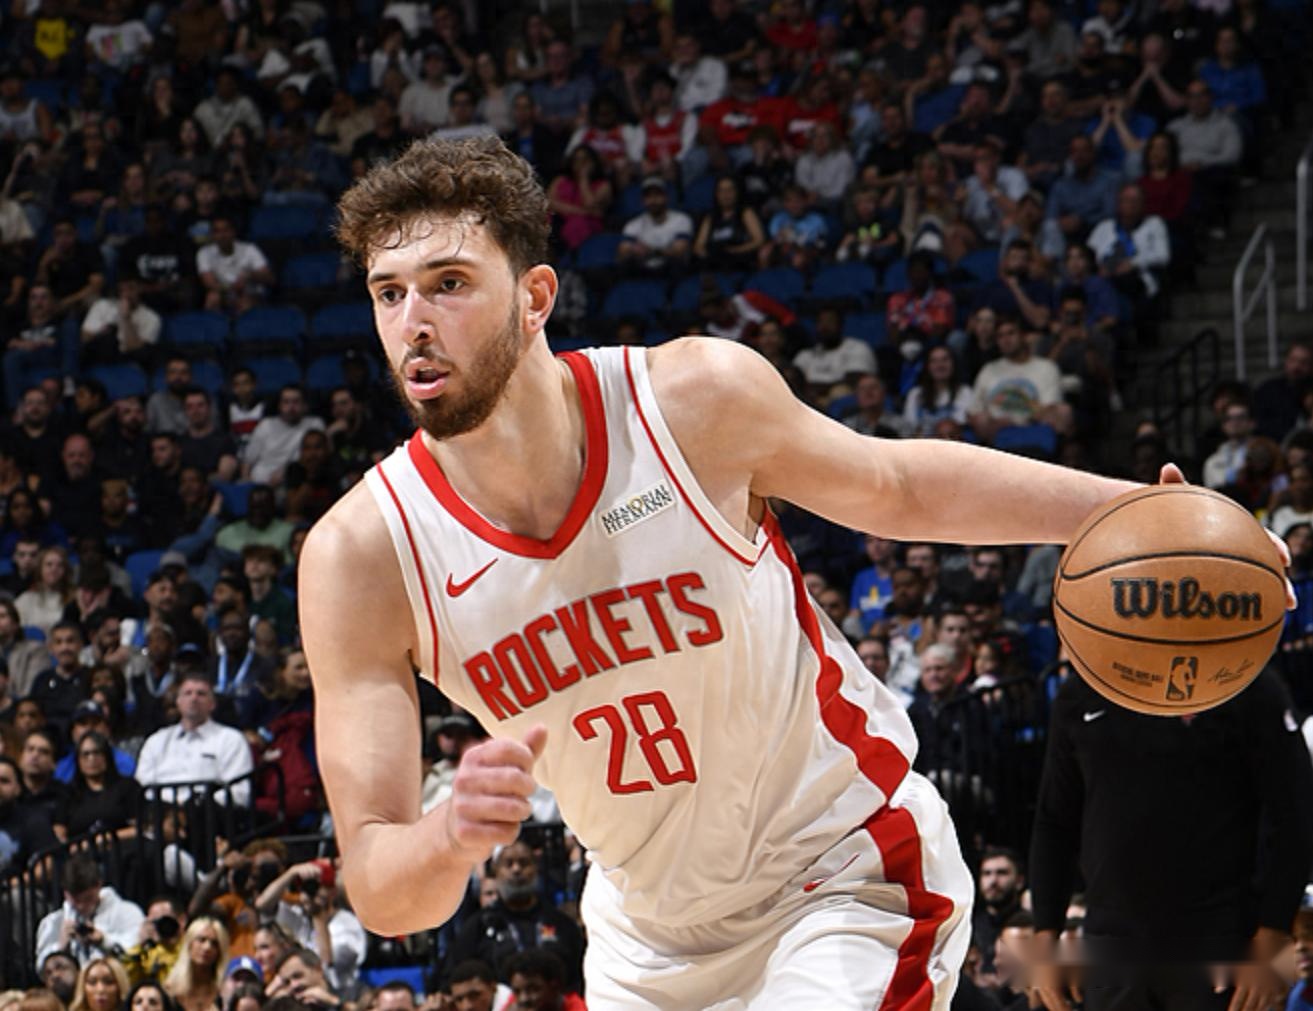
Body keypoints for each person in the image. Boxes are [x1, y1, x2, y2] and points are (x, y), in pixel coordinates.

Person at [306, 135, 1168, 1008]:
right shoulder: (362, 556)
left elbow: (897, 485)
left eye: (449, 283)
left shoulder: (690, 403)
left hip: (840, 876)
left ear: (534, 298)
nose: (413, 321)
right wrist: (449, 834)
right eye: (389, 292)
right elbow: (380, 885)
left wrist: (1129, 512)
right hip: (644, 946)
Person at [1028, 669, 1313, 1011]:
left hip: (1222, 938)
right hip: (1111, 939)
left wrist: (1273, 935)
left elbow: (1295, 818)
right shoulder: (1082, 688)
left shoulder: (1248, 681)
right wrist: (1045, 935)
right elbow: (1054, 821)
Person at [444, 838, 584, 989]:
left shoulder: (561, 923)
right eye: (508, 864)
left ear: (536, 869)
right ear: (496, 872)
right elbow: (453, 978)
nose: (516, 869)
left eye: (524, 863)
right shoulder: (478, 926)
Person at [134, 672, 253, 806]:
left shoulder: (231, 740)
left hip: (210, 814)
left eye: (201, 694)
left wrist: (198, 807)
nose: (194, 698)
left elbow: (239, 792)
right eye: (188, 693)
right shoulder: (156, 741)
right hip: (160, 813)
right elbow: (143, 784)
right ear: (178, 702)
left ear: (212, 704)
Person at [34, 853, 145, 971]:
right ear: (65, 893)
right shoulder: (52, 922)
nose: (81, 906)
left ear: (99, 885)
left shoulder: (127, 912)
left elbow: (139, 954)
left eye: (88, 898)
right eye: (76, 901)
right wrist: (60, 948)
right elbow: (41, 969)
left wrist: (104, 941)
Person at [163, 918, 227, 1011]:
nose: (207, 947)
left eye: (214, 943)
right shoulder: (170, 990)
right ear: (189, 944)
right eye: (201, 940)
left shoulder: (223, 991)